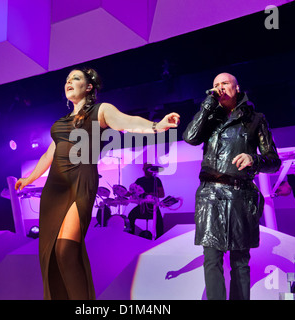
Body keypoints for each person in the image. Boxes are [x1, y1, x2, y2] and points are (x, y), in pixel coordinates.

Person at [15, 67, 180, 300]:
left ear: (89, 87)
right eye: (67, 79)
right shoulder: (61, 123)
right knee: (51, 253)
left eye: (75, 78)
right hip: (55, 188)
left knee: (65, 249)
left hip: (80, 181)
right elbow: (48, 156)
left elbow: (126, 122)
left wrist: (156, 126)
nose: (69, 82)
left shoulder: (100, 110)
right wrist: (29, 178)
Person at [183, 73, 281, 300]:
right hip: (210, 195)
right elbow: (190, 137)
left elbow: (274, 162)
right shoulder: (210, 117)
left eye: (224, 83)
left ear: (237, 88)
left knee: (239, 260)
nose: (219, 88)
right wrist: (207, 106)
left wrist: (253, 159)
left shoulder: (255, 119)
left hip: (240, 195)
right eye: (215, 85)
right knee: (212, 258)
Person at [127, 163, 165, 239]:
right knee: (131, 216)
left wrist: (150, 194)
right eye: (147, 168)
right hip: (142, 206)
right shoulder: (139, 180)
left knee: (159, 223)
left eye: (150, 168)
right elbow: (132, 192)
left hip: (153, 206)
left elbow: (162, 194)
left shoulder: (156, 180)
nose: (149, 170)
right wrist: (123, 193)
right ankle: (131, 237)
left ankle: (159, 240)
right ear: (143, 169)